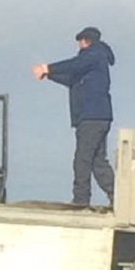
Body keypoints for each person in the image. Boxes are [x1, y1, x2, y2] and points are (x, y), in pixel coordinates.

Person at [32, 26, 116, 206]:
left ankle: (81, 199)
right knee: (98, 161)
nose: (78, 45)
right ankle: (117, 196)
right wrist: (49, 75)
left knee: (82, 159)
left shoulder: (93, 55)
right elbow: (72, 79)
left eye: (80, 41)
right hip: (99, 116)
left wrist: (48, 68)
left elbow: (73, 65)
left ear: (86, 41)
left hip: (91, 117)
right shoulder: (96, 60)